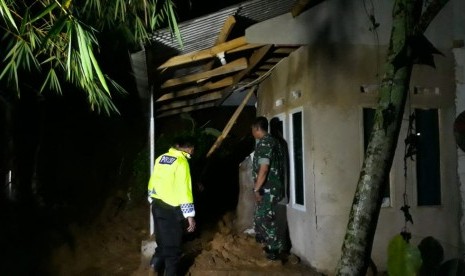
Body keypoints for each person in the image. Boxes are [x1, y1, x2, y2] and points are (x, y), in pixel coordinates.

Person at [147, 136, 196, 275]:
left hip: (156, 205)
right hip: (171, 210)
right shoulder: (181, 162)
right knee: (173, 251)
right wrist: (190, 216)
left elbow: (153, 180)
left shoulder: (161, 158)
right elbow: (184, 190)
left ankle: (152, 268)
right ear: (190, 148)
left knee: (162, 243)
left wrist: (151, 198)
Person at [251, 116, 285, 261]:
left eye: (252, 129)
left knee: (266, 218)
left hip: (268, 188)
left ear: (257, 128)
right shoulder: (275, 142)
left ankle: (275, 249)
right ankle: (266, 242)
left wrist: (256, 189)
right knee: (260, 216)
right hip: (272, 187)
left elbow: (264, 169)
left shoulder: (265, 144)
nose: (252, 132)